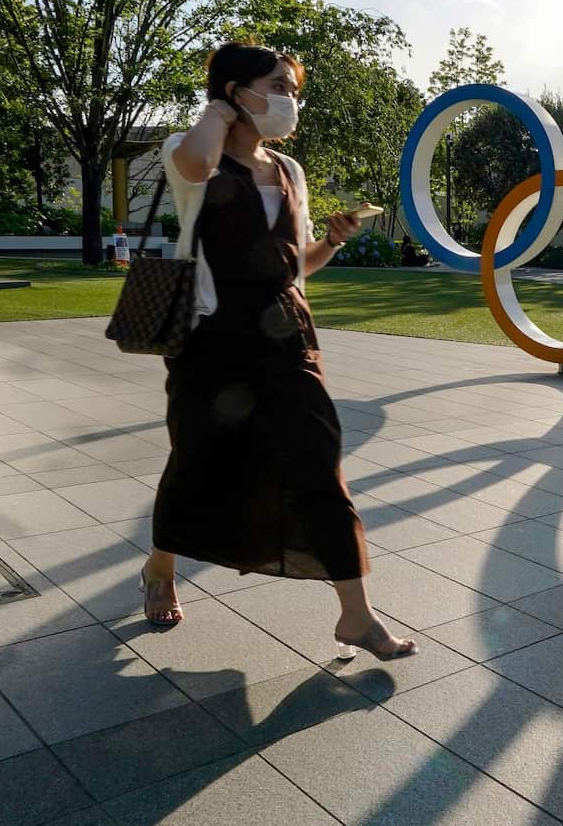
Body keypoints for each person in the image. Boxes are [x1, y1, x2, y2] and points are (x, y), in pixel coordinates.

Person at [141, 42, 417, 662]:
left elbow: (299, 265)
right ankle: (161, 567)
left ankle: (356, 617)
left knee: (320, 461)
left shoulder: (289, 172)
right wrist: (216, 110)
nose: (289, 100)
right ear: (239, 92)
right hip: (211, 340)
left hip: (286, 336)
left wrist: (334, 242)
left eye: (292, 87)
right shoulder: (195, 153)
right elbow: (191, 167)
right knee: (198, 459)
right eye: (277, 86)